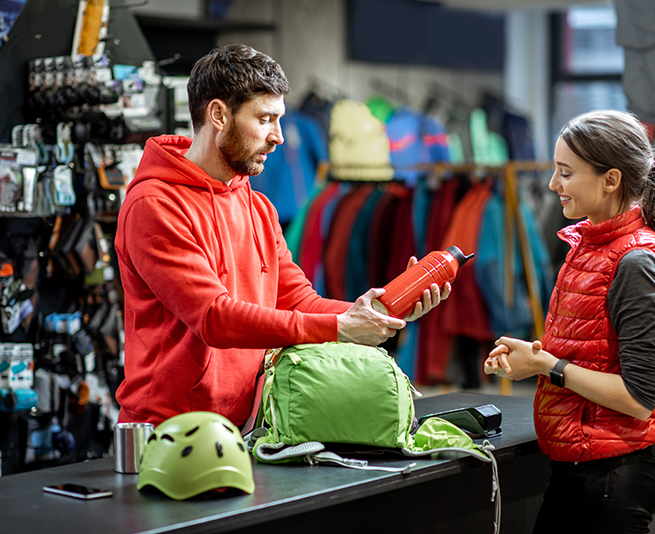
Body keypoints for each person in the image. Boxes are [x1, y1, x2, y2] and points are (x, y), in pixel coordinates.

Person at [115, 44, 449, 430]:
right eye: (264, 119)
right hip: (166, 430)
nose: (279, 137)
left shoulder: (258, 208)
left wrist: (380, 312)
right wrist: (342, 328)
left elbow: (299, 301)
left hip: (249, 423)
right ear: (219, 114)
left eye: (279, 120)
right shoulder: (154, 204)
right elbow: (213, 317)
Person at [484, 110, 655, 533]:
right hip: (579, 473)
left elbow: (638, 398)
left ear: (611, 180)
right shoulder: (586, 248)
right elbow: (591, 352)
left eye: (565, 173)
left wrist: (546, 367)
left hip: (610, 482)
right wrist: (533, 356)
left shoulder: (636, 261)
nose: (554, 184)